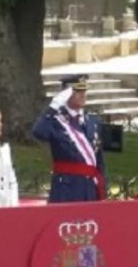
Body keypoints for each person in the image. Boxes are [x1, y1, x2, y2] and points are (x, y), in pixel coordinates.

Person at [32, 74, 106, 203]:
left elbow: (98, 158)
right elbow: (38, 132)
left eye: (84, 90)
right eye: (78, 91)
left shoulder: (93, 121)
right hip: (67, 189)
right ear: (66, 94)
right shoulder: (56, 121)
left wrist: (102, 185)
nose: (83, 94)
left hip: (90, 188)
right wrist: (53, 107)